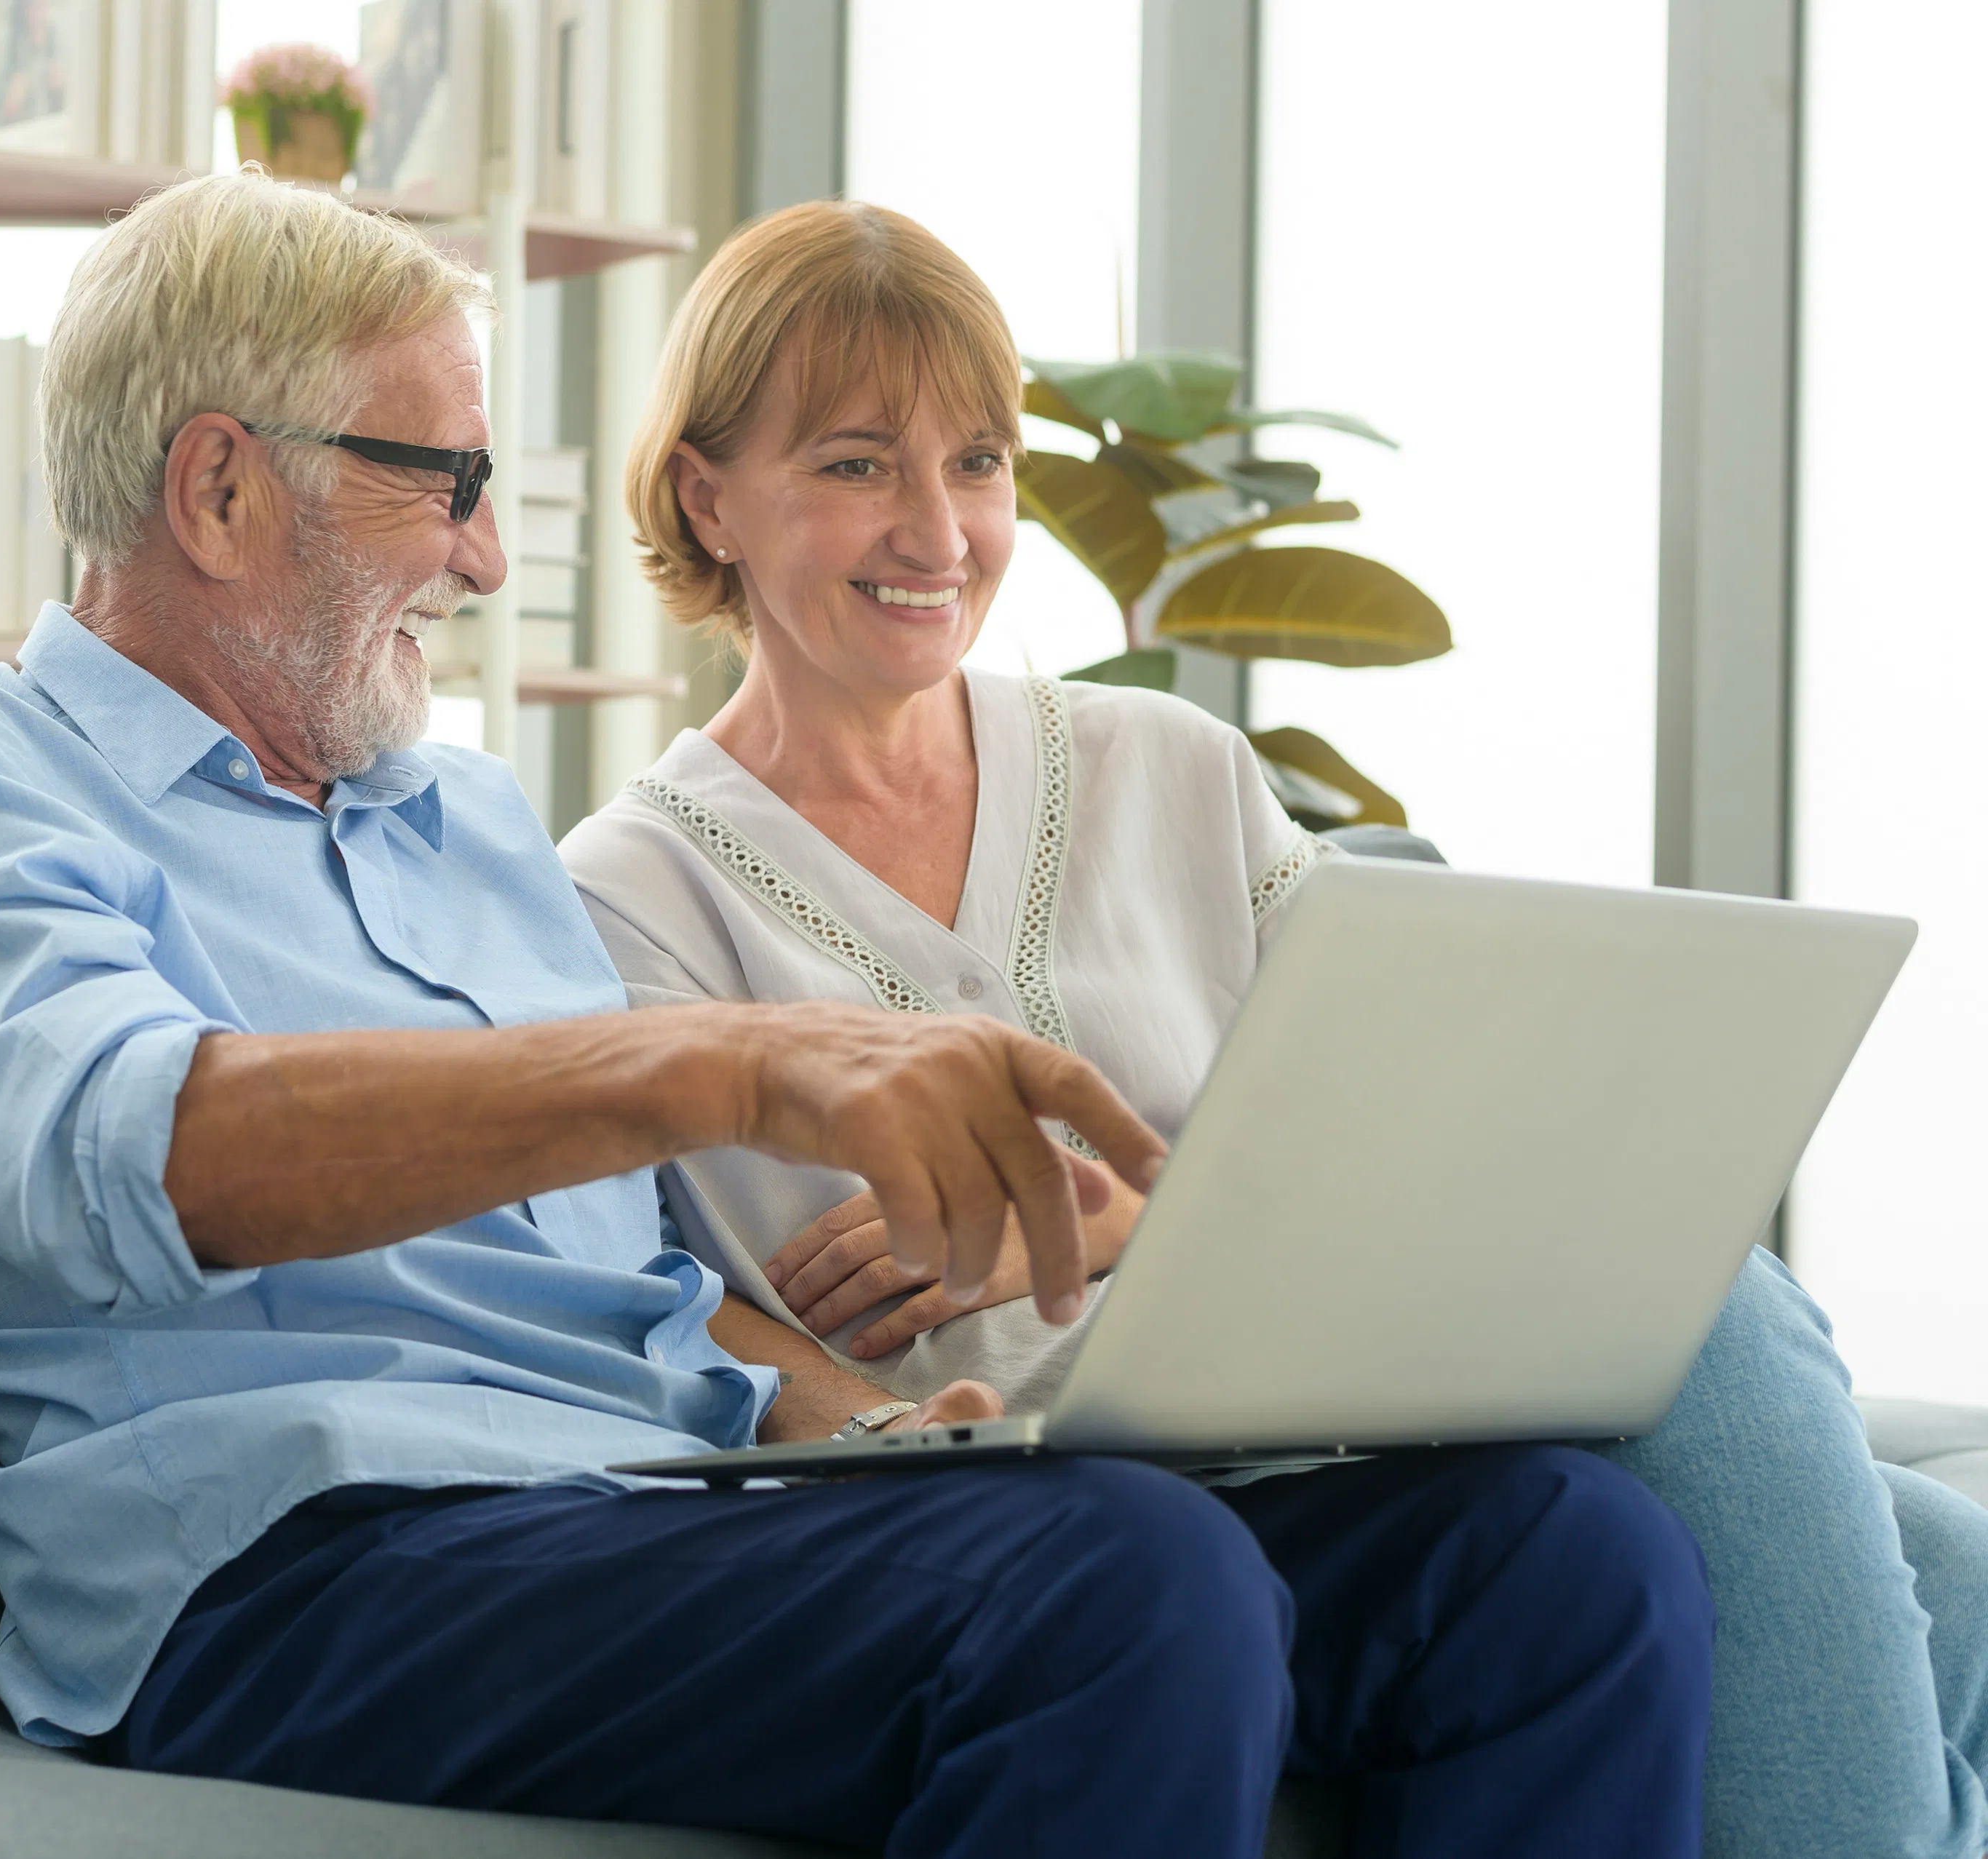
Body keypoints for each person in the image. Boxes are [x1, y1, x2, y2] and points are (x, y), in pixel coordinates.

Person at [0, 170, 1714, 1859]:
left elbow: (649, 1298)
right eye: (446, 484)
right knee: (1131, 1579)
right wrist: (714, 1061)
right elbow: (139, 1153)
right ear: (218, 488)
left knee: (1558, 1558)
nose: (483, 555)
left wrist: (894, 1435)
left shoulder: (461, 822)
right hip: (289, 1559)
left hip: (648, 1497)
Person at [556, 196, 1988, 1859]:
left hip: (1322, 1450)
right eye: (859, 464)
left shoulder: (1173, 767)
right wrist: (870, 1426)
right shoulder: (627, 891)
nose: (938, 531)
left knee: (1897, 1536)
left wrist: (1136, 1219)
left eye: (980, 463)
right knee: (1800, 1486)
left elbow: (1402, 1116)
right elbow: (639, 1294)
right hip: (1005, 1524)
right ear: (706, 496)